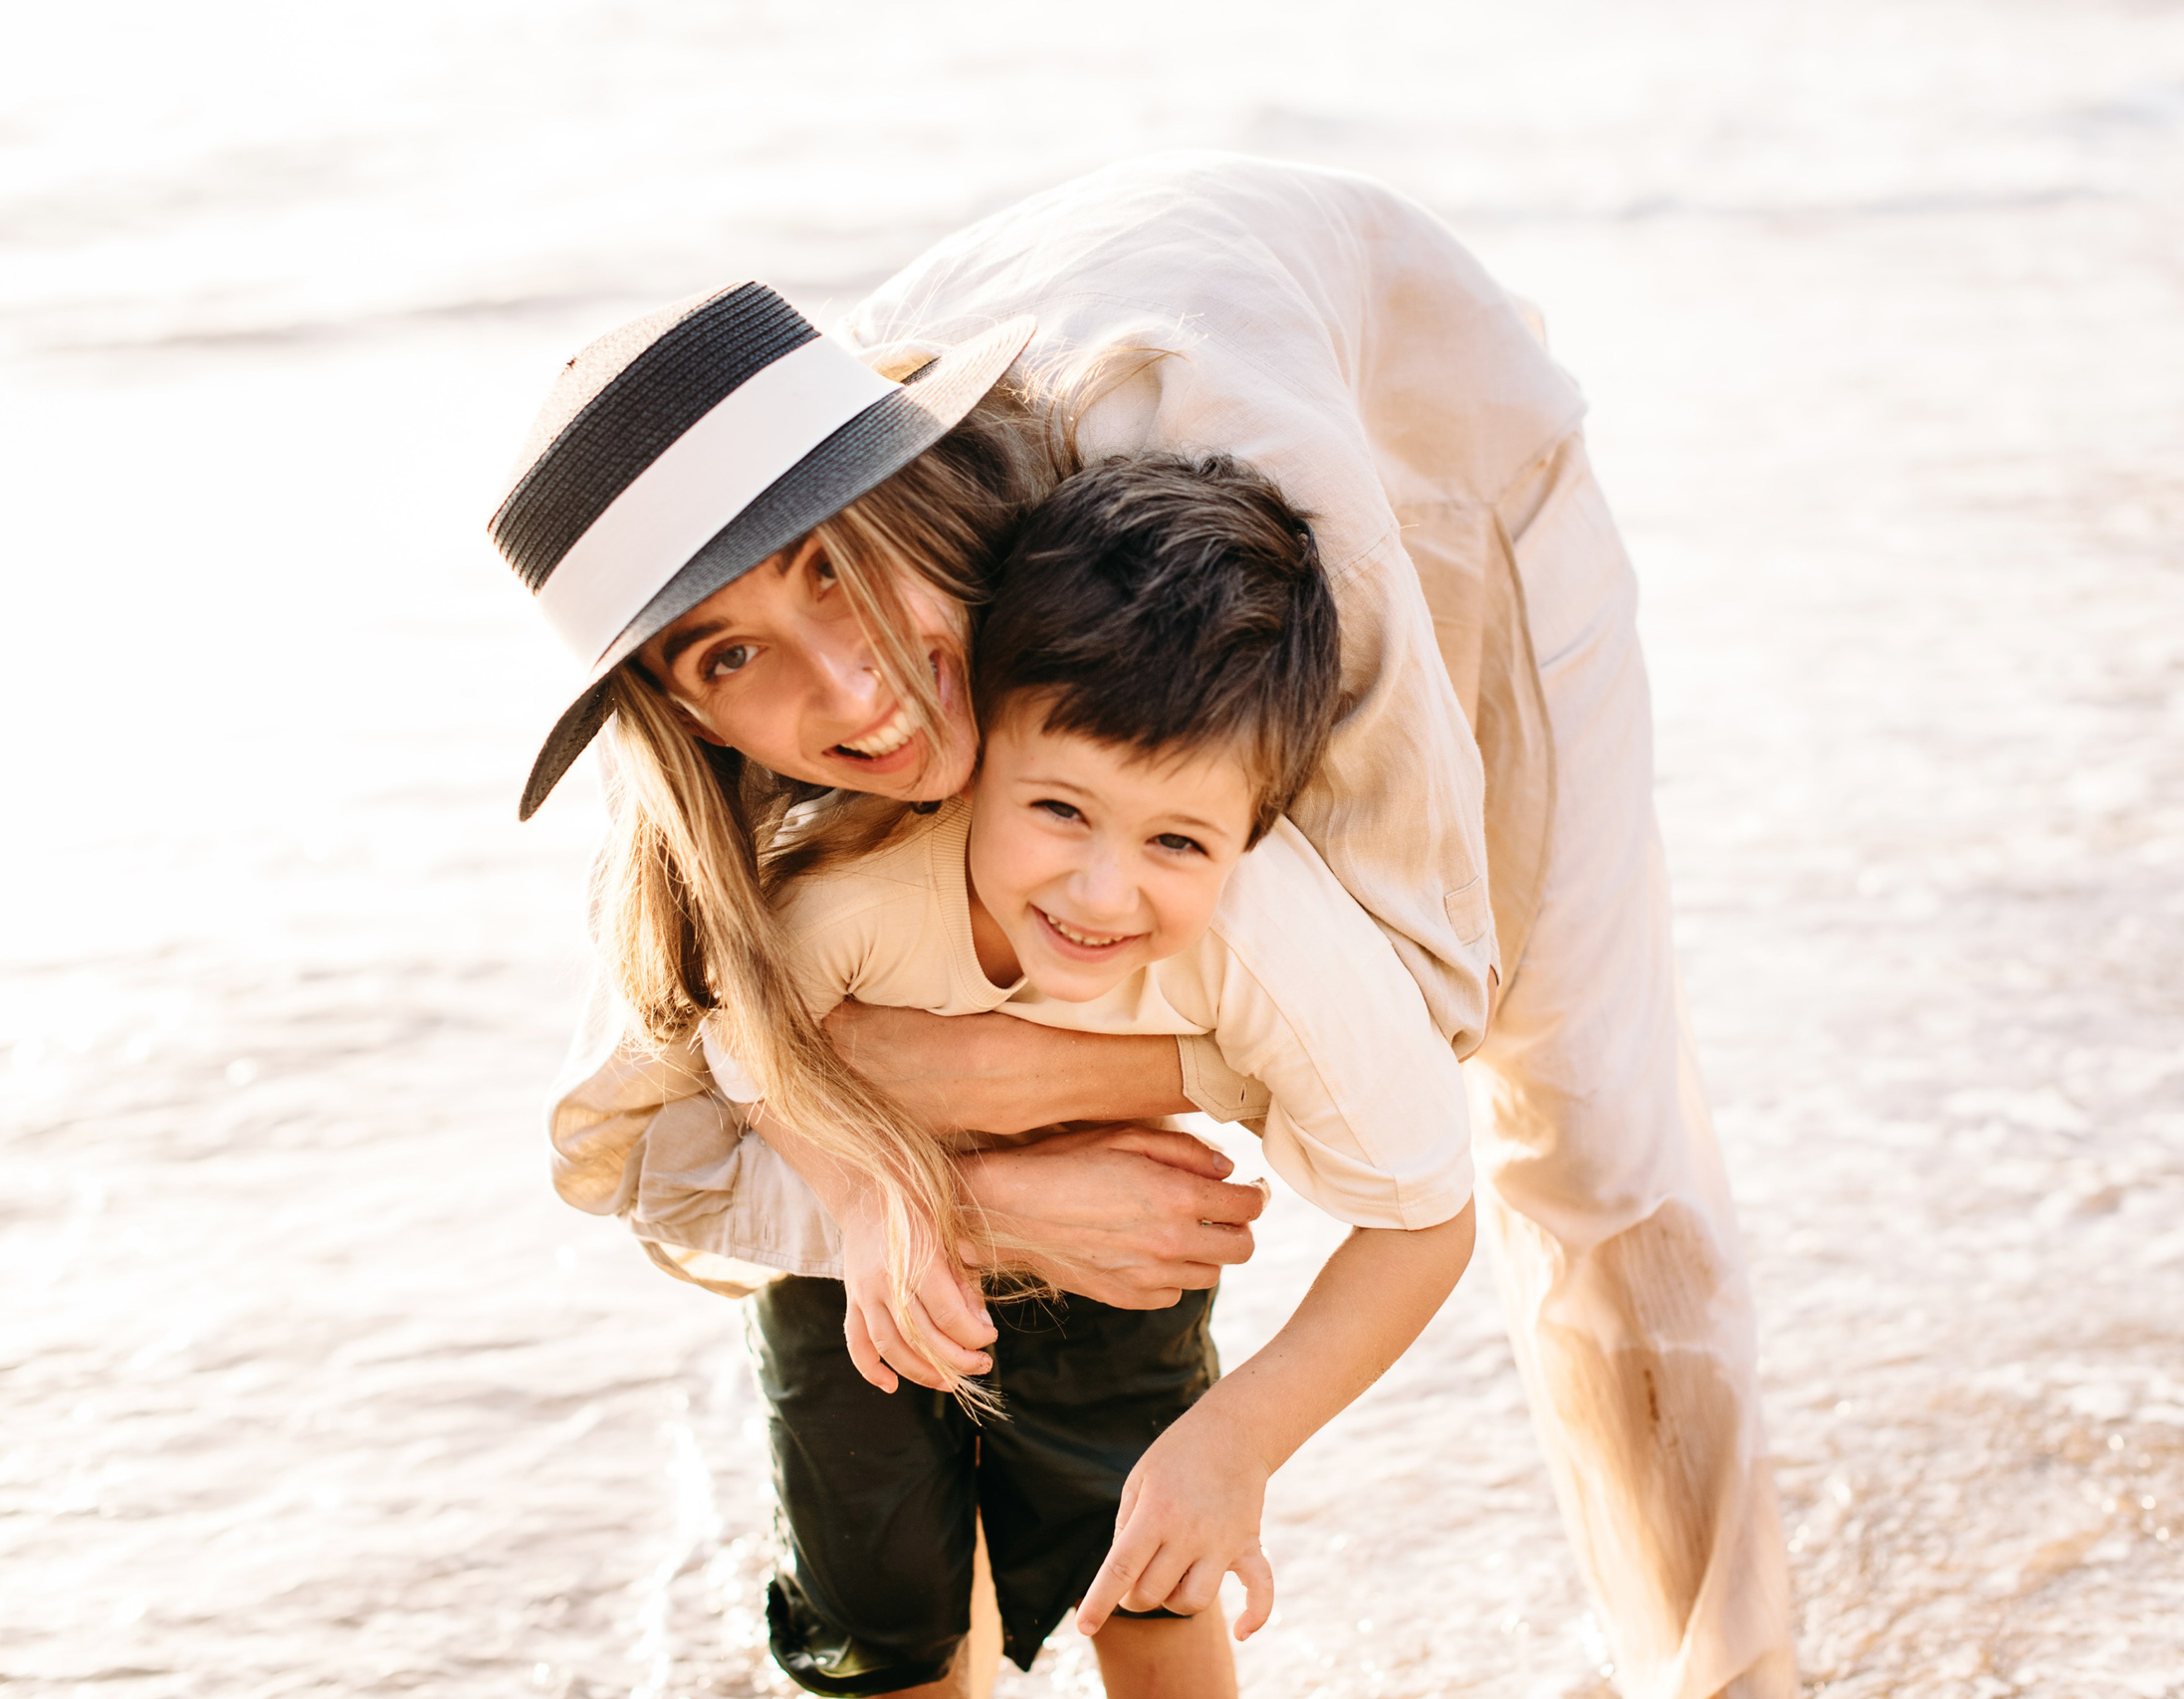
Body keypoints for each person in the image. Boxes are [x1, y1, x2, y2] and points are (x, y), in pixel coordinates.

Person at [496, 153, 1793, 1699]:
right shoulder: (704, 663)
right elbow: (646, 1153)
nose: (843, 694)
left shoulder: (1217, 447)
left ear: (888, 495)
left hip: (1433, 463)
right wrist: (969, 1206)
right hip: (945, 421)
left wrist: (945, 1079)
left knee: (1577, 1130)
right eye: (729, 660)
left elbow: (1422, 1002)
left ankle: (1727, 1669)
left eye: (833, 572)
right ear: (673, 708)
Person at [698, 451, 1478, 1694]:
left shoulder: (1271, 949)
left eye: (1178, 839)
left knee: (1151, 1577)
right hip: (848, 1277)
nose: (1101, 893)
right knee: (871, 1619)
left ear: (1256, 834)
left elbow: (1428, 1219)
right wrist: (868, 1200)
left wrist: (1238, 1443)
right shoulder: (845, 889)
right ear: (981, 745)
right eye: (1057, 808)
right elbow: (746, 1046)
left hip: (1120, 1247)